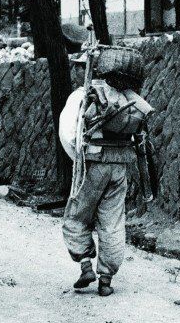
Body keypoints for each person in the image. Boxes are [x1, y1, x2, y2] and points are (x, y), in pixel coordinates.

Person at [61, 53, 152, 297]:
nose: (76, 72)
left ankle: (85, 266)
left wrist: (79, 163)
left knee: (77, 216)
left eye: (79, 67)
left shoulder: (83, 95)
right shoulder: (127, 97)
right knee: (112, 221)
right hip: (119, 166)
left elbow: (70, 134)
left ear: (86, 69)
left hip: (94, 164)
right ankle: (106, 279)